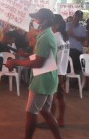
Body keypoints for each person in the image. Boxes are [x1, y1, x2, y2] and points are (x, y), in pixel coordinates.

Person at [6, 8, 61, 139]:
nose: (35, 20)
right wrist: (25, 54)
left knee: (31, 113)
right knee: (45, 112)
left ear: (45, 21)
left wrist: (16, 62)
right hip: (48, 79)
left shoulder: (45, 36)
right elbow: (40, 56)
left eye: (37, 18)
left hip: (41, 80)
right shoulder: (46, 34)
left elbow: (38, 63)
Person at [50, 14, 70, 128]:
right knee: (60, 97)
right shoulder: (65, 37)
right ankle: (61, 119)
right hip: (62, 71)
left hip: (55, 71)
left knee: (51, 97)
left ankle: (51, 120)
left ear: (56, 24)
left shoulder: (55, 36)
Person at [65, 10, 86, 74]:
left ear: (81, 18)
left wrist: (74, 36)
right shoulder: (67, 25)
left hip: (78, 51)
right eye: (76, 16)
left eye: (79, 16)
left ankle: (75, 75)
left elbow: (83, 40)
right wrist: (72, 26)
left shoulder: (82, 28)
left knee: (76, 58)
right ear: (74, 16)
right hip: (67, 49)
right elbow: (65, 37)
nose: (77, 18)